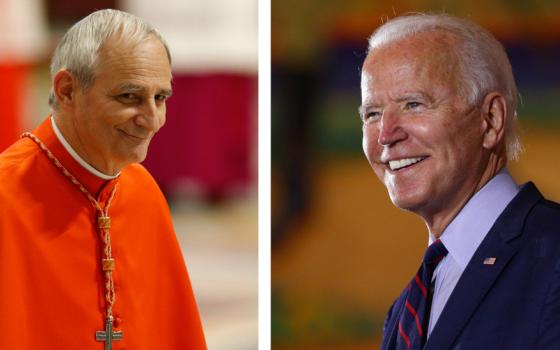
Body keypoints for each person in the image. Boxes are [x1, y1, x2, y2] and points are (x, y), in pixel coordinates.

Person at [0, 9, 206, 349]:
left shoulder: (143, 192)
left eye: (160, 98)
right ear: (66, 91)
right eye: (129, 97)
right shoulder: (6, 195)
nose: (152, 121)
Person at [359, 13, 560, 350]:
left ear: (491, 119)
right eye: (372, 114)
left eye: (413, 104)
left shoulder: (552, 257)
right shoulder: (404, 311)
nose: (385, 135)